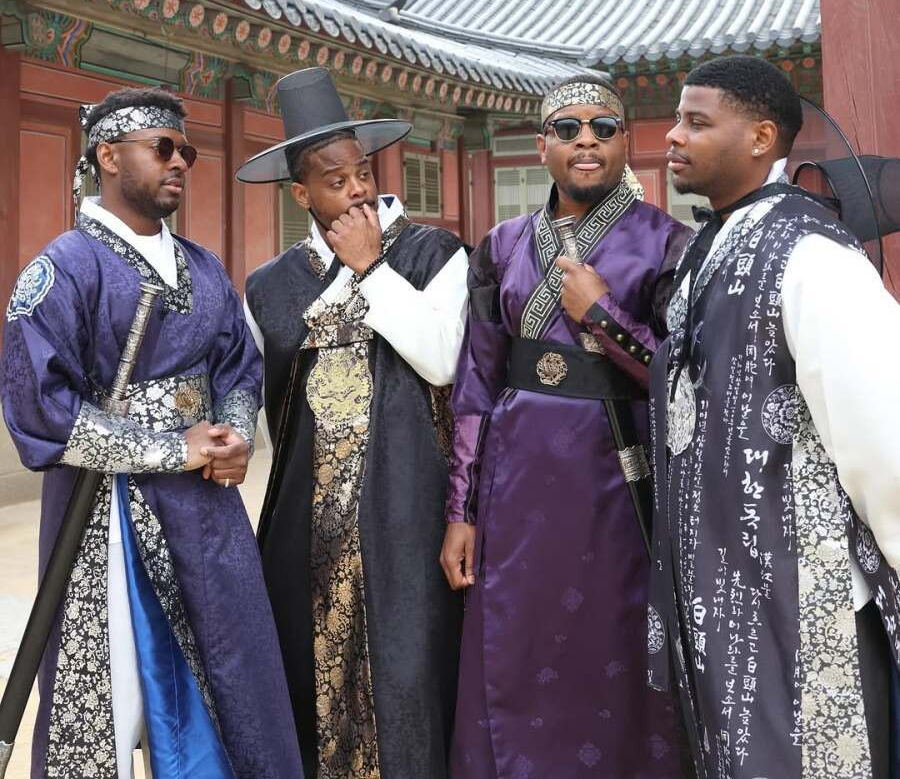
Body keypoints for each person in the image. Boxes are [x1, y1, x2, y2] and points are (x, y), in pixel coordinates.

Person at [0, 87, 303, 778]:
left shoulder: (203, 266)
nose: (179, 163)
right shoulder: (61, 268)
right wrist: (171, 448)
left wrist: (231, 436)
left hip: (206, 504)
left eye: (186, 151)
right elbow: (39, 405)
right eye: (162, 148)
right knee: (112, 696)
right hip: (103, 512)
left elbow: (238, 365)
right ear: (108, 156)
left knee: (234, 672)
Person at [649, 54, 900, 779]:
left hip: (802, 597)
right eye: (676, 119)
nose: (673, 136)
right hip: (721, 588)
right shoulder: (709, 247)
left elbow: (883, 436)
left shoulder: (812, 254)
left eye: (696, 122)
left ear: (762, 137)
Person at [441, 74, 692, 779]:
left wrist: (603, 315)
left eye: (604, 128)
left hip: (617, 485)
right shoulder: (500, 245)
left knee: (612, 651)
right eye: (569, 129)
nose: (587, 141)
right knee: (515, 645)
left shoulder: (669, 244)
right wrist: (460, 510)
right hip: (516, 486)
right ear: (541, 145)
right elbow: (476, 381)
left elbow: (684, 378)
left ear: (626, 143)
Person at [238, 67, 468, 779]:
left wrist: (370, 269)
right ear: (302, 194)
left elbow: (443, 362)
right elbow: (255, 397)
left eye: (363, 173)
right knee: (308, 676)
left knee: (411, 672)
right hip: (303, 521)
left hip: (407, 514)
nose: (358, 191)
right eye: (336, 182)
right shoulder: (271, 285)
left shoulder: (434, 254)